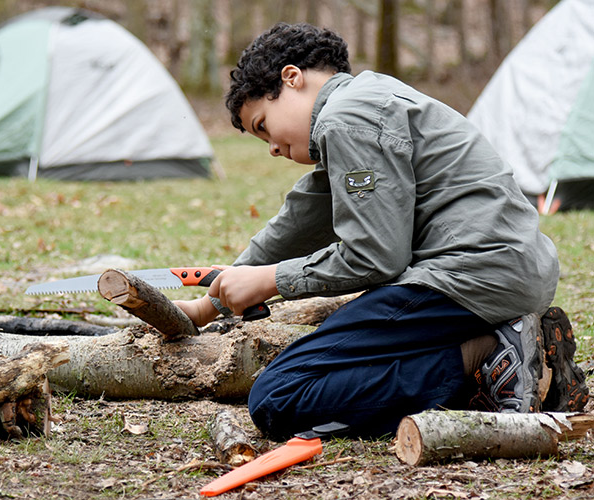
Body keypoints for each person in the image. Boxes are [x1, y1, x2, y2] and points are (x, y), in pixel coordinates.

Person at [175, 22, 589, 440]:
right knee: (342, 369)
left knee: (279, 397)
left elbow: (375, 257)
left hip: (468, 276)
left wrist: (270, 280)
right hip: (505, 272)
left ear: (292, 78)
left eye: (263, 125)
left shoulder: (347, 120)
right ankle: (529, 369)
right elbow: (299, 221)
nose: (273, 148)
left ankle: (488, 360)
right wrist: (211, 303)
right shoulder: (368, 100)